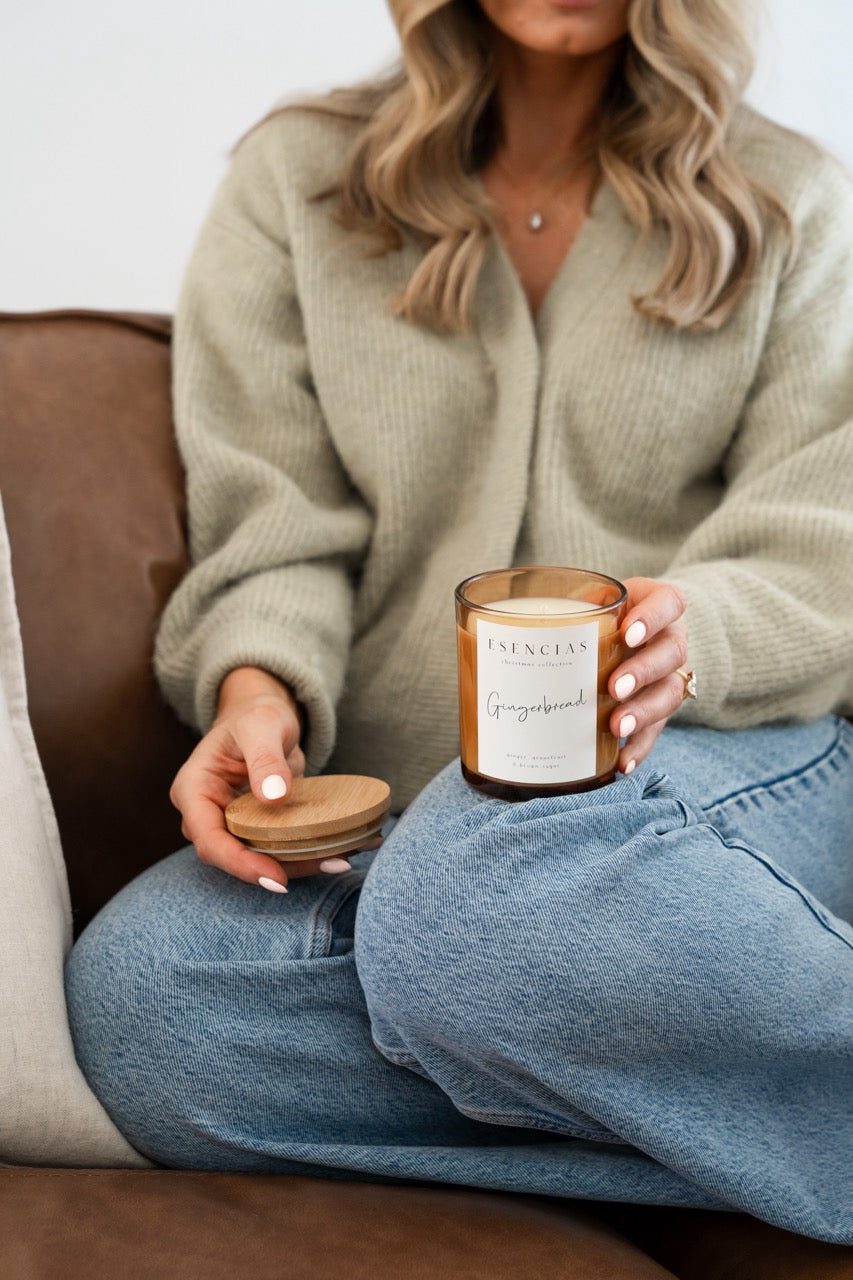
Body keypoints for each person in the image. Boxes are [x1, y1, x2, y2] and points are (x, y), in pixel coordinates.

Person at [66, 0, 853, 1244]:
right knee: (146, 999)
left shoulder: (788, 197)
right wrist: (257, 688)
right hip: (416, 818)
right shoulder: (297, 182)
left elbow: (825, 530)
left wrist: (694, 634)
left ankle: (518, 979)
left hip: (715, 753)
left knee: (469, 891)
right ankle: (716, 1099)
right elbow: (274, 515)